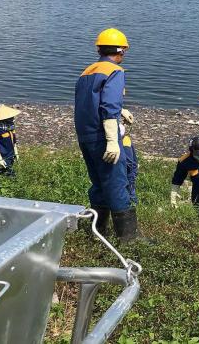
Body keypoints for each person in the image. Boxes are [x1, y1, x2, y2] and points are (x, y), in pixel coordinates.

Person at [74, 28, 137, 243]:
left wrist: (121, 110)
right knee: (116, 182)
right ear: (120, 51)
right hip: (103, 136)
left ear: (99, 49)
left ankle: (98, 233)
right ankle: (128, 239)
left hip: (86, 136)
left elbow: (90, 104)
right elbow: (108, 105)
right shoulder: (115, 71)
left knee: (99, 183)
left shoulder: (87, 71)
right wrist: (112, 141)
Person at [0, 104, 21, 177]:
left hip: (11, 154)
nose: (13, 119)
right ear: (5, 118)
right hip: (2, 154)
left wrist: (16, 153)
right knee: (7, 172)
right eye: (11, 117)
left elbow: (14, 142)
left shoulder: (10, 128)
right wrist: (0, 160)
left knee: (7, 170)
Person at [120, 114, 139, 205]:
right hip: (122, 140)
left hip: (125, 138)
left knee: (133, 164)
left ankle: (131, 195)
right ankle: (131, 198)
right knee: (130, 166)